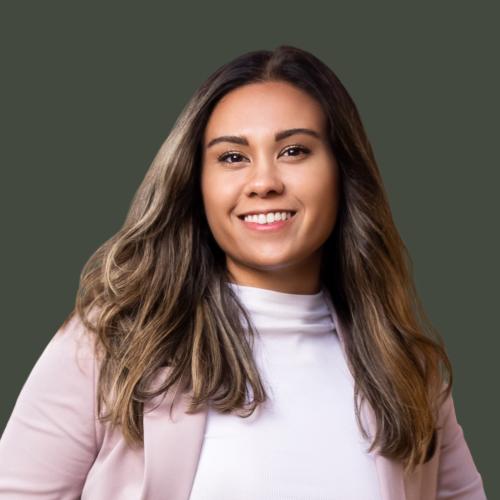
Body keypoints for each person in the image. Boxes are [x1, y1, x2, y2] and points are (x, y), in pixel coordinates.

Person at [0, 45, 486, 499]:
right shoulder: (111, 344)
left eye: (294, 151)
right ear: (197, 183)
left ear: (343, 171)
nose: (263, 182)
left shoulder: (409, 371)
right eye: (232, 157)